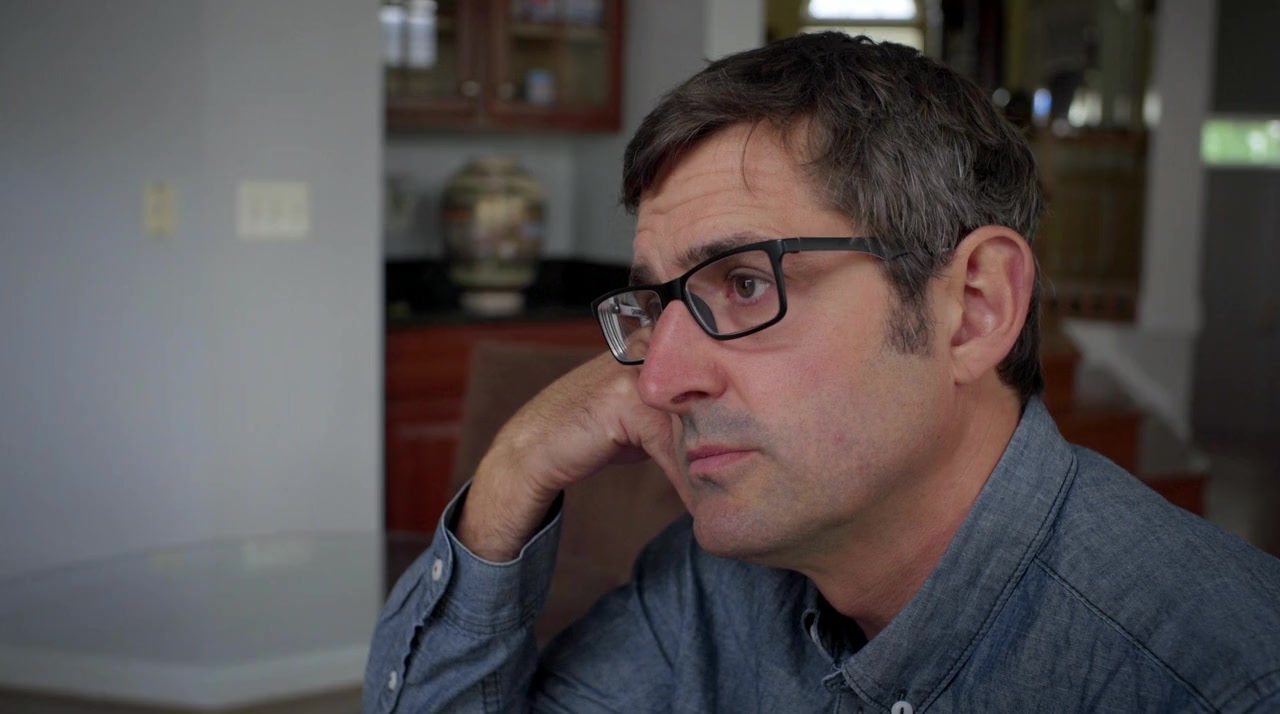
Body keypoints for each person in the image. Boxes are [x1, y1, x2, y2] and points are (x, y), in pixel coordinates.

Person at [363, 33, 1280, 713]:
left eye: (746, 282)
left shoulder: (1222, 681)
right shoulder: (716, 585)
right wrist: (516, 462)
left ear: (975, 308)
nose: (657, 381)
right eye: (656, 305)